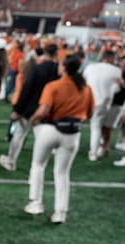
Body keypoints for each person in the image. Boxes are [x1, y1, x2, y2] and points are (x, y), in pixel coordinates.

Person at [25, 54, 94, 224]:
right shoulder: (86, 88)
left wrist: (32, 120)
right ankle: (60, 212)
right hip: (72, 134)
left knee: (38, 165)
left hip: (50, 129)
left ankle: (36, 203)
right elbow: (89, 113)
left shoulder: (54, 86)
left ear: (64, 67)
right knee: (62, 173)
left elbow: (43, 111)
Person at [0, 44, 59, 172]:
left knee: (19, 135)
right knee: (43, 139)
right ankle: (39, 165)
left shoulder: (37, 69)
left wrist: (17, 109)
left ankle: (11, 160)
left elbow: (26, 90)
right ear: (56, 54)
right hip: (47, 110)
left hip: (29, 109)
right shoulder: (59, 71)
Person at [83, 50, 124, 161]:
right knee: (102, 128)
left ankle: (95, 151)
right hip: (107, 103)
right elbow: (117, 88)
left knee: (95, 127)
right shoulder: (116, 70)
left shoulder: (90, 67)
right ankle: (97, 150)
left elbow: (83, 82)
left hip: (90, 101)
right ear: (111, 59)